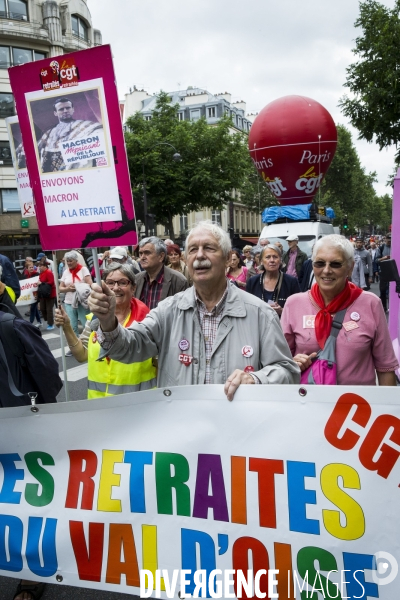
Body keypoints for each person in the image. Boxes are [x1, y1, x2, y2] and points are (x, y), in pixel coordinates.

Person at [88, 222, 300, 401]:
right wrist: (108, 322)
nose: (199, 256)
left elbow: (288, 371)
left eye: (209, 248)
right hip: (183, 438)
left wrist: (256, 379)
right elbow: (129, 346)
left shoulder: (260, 314)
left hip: (236, 436)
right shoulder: (168, 310)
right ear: (187, 260)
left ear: (228, 259)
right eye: (192, 250)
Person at [0, 303, 62, 600]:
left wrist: (43, 423)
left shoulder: (13, 327)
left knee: (28, 500)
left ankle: (30, 573)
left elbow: (49, 375)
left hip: (23, 432)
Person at [281, 235, 398, 386]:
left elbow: (385, 366)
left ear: (350, 267)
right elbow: (279, 362)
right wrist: (292, 363)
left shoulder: (371, 303)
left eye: (336, 264)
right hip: (307, 405)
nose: (326, 270)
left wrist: (387, 408)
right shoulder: (294, 304)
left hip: (357, 406)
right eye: (320, 263)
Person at [54, 263, 157, 398]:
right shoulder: (94, 320)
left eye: (122, 282)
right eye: (110, 283)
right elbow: (81, 355)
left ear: (133, 288)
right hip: (99, 405)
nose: (115, 288)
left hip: (138, 405)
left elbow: (160, 364)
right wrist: (67, 326)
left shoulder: (148, 321)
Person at [37, 97, 103, 172]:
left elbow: (100, 136)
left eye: (68, 108)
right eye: (61, 109)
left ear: (73, 110)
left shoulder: (85, 126)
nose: (65, 111)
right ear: (55, 113)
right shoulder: (48, 133)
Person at [246, 244, 300, 317]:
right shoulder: (252, 282)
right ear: (261, 261)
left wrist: (282, 311)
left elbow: (299, 309)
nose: (272, 260)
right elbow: (247, 308)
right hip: (258, 326)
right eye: (268, 257)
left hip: (282, 326)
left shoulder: (291, 282)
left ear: (280, 260)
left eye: (275, 257)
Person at [135, 236, 188, 310]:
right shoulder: (136, 279)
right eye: (140, 253)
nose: (142, 257)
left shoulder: (178, 281)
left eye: (147, 253)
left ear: (161, 256)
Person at [59, 251, 92, 355]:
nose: (68, 263)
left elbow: (90, 284)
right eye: (67, 261)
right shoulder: (65, 272)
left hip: (82, 301)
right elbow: (60, 288)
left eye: (70, 261)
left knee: (86, 323)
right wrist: (68, 288)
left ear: (76, 261)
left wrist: (78, 287)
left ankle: (91, 344)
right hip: (69, 302)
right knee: (72, 326)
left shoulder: (83, 269)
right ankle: (75, 348)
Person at [38, 258, 57, 330]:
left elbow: (51, 282)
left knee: (49, 309)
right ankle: (49, 319)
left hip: (50, 294)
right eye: (39, 266)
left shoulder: (48, 272)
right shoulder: (41, 273)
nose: (39, 267)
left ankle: (50, 323)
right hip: (43, 294)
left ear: (45, 266)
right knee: (42, 308)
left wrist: (42, 283)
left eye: (41, 266)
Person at [376, 233, 391, 312]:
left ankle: (392, 306)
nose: (389, 241)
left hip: (393, 272)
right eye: (388, 239)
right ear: (385, 239)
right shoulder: (381, 248)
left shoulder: (396, 246)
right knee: (383, 290)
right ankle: (384, 307)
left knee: (393, 290)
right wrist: (384, 258)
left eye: (391, 239)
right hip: (383, 271)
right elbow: (376, 260)